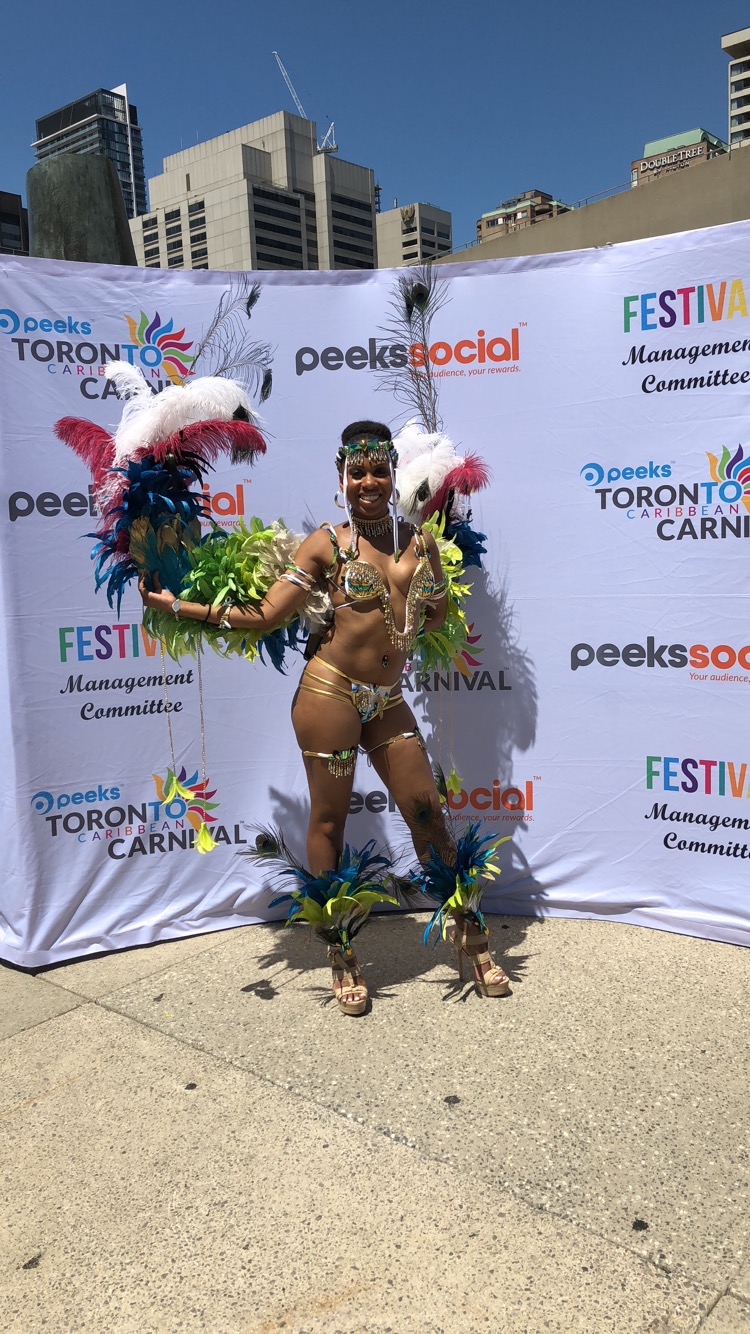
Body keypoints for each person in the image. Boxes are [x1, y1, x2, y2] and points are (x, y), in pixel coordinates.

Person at [140, 420, 510, 1013]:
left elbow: (437, 618)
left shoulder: (421, 541)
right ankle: (340, 952)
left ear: (394, 474)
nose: (369, 482)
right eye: (357, 472)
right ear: (342, 477)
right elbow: (266, 615)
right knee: (330, 821)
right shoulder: (326, 545)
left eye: (379, 471)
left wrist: (427, 595)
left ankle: (471, 936)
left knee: (427, 814)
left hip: (387, 700)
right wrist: (180, 605)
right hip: (329, 694)